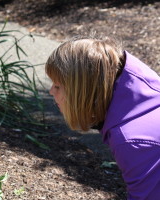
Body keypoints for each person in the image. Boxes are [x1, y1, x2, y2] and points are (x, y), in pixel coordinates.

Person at [45, 36, 160, 200]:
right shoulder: (136, 80)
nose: (51, 91)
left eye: (57, 86)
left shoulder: (132, 141)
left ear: (82, 93)